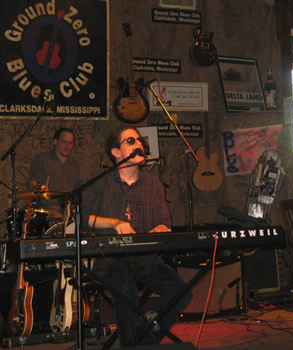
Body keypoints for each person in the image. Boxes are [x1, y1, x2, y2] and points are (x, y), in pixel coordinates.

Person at [81, 125, 191, 347]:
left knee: (181, 292)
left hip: (143, 257)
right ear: (116, 152)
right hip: (108, 257)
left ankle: (139, 343)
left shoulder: (153, 183)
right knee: (126, 290)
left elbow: (164, 223)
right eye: (131, 141)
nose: (139, 144)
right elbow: (84, 218)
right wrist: (114, 223)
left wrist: (160, 229)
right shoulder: (100, 180)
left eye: (139, 141)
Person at [28, 127, 81, 223]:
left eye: (70, 143)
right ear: (55, 142)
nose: (67, 146)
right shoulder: (42, 159)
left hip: (68, 211)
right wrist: (39, 189)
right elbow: (31, 184)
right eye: (64, 142)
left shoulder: (74, 165)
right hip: (47, 210)